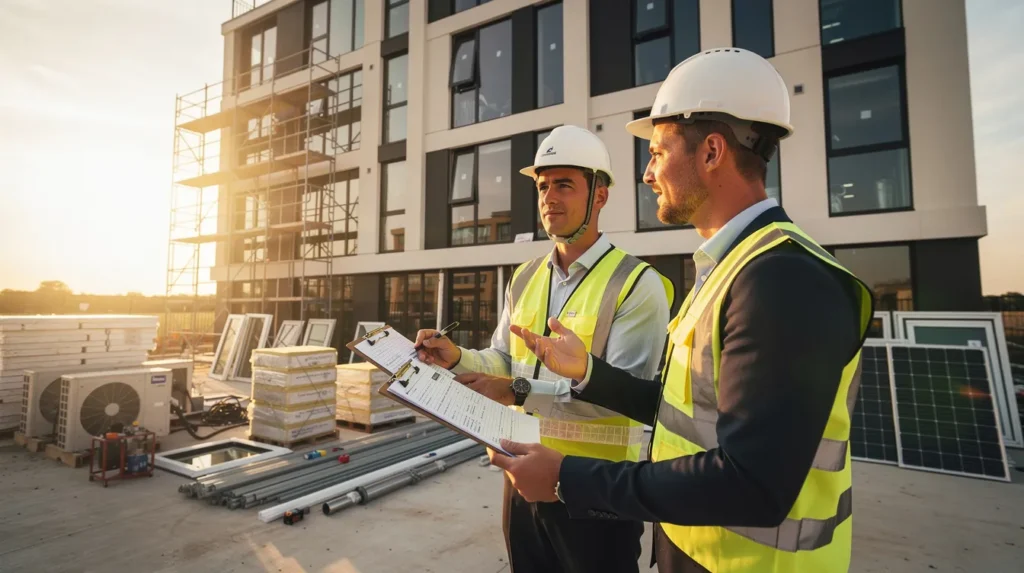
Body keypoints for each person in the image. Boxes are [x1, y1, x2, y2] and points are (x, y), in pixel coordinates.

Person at [487, 48, 875, 573]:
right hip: (696, 550)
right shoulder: (730, 268)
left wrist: (565, 478)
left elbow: (753, 483)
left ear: (712, 151)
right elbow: (681, 415)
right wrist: (587, 374)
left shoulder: (782, 279)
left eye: (657, 153)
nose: (648, 174)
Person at [414, 125, 674, 573]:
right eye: (542, 185)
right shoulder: (525, 277)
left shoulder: (636, 285)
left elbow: (627, 398)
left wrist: (515, 389)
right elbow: (503, 358)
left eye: (564, 184)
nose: (549, 197)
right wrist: (457, 358)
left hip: (596, 493)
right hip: (522, 481)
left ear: (600, 195)